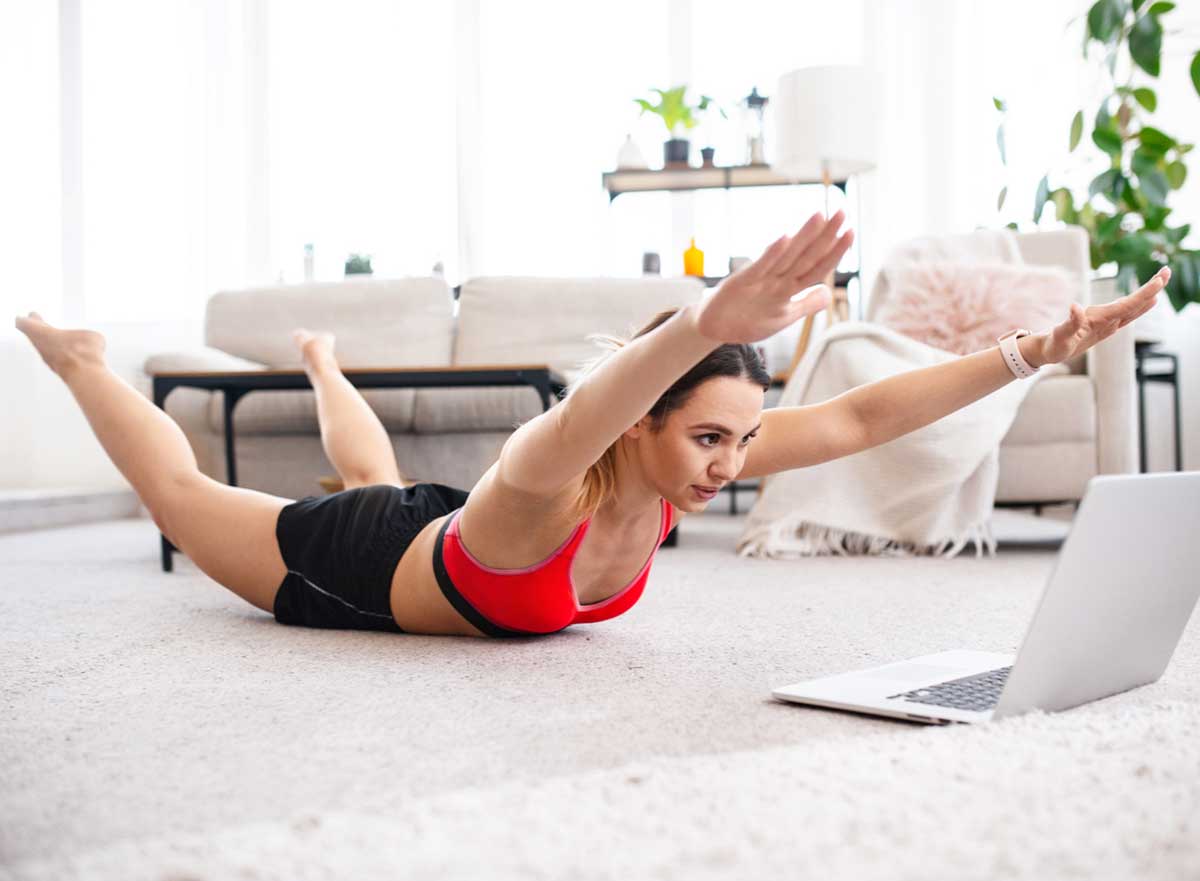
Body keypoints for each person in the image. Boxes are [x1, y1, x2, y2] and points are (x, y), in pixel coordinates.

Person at [15, 212, 1169, 638]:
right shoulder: (542, 483)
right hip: (353, 569)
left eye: (741, 438)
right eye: (706, 437)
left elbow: (866, 411)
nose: (732, 463)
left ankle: (321, 359)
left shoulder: (682, 466)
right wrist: (700, 318)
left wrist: (1032, 350)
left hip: (434, 531)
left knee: (369, 467)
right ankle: (81, 362)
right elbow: (586, 412)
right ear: (636, 426)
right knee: (207, 495)